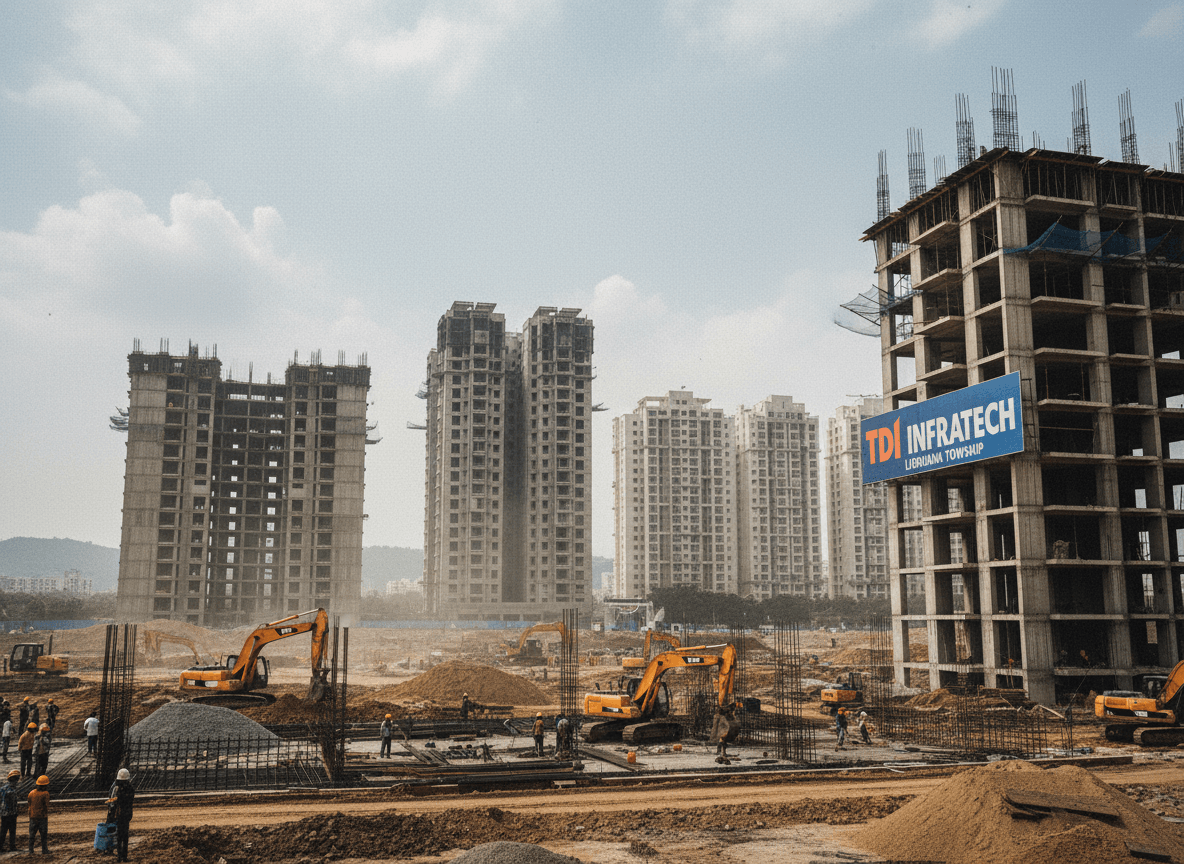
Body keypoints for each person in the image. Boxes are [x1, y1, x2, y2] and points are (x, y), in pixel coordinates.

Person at [107, 767, 135, 862]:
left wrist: (110, 813)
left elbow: (112, 802)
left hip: (119, 815)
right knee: (125, 836)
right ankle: (124, 857)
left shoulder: (117, 788)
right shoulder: (130, 789)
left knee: (119, 836)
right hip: (127, 815)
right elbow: (129, 801)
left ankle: (119, 856)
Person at [27, 774, 49, 856]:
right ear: (44, 785)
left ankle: (30, 850)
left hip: (32, 817)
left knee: (32, 835)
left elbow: (29, 804)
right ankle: (44, 849)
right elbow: (46, 806)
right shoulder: (46, 794)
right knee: (43, 835)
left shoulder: (31, 793)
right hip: (42, 817)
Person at [0, 769, 18, 853]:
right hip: (10, 813)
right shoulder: (12, 790)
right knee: (11, 830)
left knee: (3, 831)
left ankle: (1, 847)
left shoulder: (2, 788)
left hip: (4, 813)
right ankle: (12, 846)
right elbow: (12, 803)